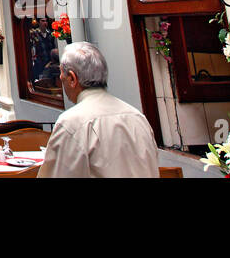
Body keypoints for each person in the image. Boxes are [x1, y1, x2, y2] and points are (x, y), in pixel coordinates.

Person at [37, 42, 160, 178]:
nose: (60, 80)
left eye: (61, 75)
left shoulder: (72, 123)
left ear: (72, 78)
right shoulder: (137, 117)